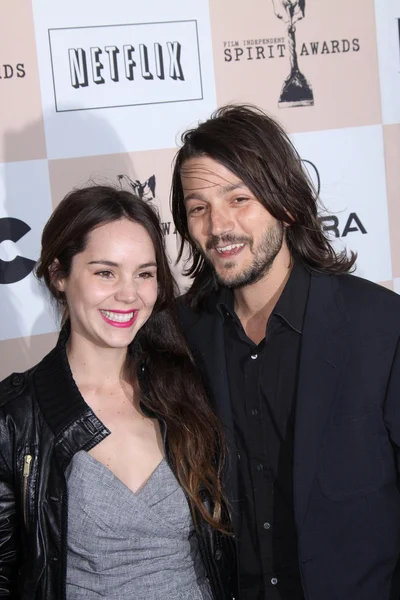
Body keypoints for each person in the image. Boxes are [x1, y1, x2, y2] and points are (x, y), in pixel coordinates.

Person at [171, 104, 400, 600]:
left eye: (240, 199)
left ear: (286, 203)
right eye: (198, 207)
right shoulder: (183, 338)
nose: (218, 226)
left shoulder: (381, 327)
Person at [0, 185, 235, 600]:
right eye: (105, 272)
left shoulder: (186, 386)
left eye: (144, 274)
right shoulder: (17, 416)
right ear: (58, 274)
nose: (129, 294)